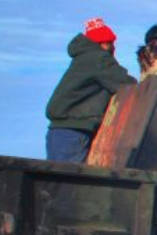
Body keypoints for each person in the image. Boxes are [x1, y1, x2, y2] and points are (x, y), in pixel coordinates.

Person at [45, 17, 136, 163]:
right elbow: (125, 84)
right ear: (104, 44)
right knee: (72, 182)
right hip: (74, 132)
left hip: (58, 132)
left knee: (55, 181)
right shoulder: (98, 58)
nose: (113, 48)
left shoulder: (83, 59)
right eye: (111, 43)